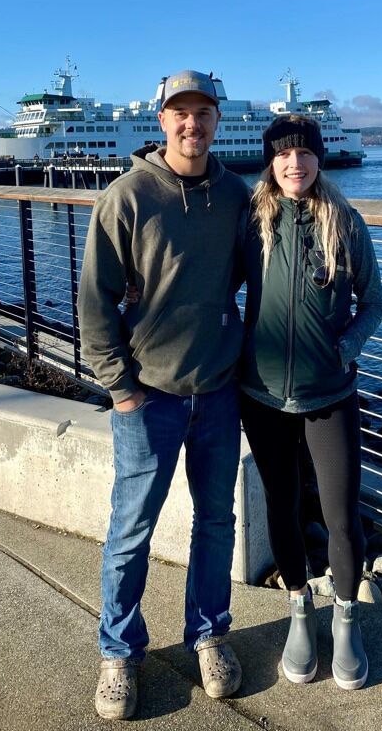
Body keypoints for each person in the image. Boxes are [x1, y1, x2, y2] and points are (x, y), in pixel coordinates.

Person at [78, 69, 250, 720]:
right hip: (149, 398)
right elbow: (94, 301)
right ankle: (119, 654)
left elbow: (264, 257)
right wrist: (121, 390)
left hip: (218, 392)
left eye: (203, 113)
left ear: (216, 121)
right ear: (162, 122)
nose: (192, 124)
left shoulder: (235, 193)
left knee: (216, 522)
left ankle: (209, 635)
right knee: (131, 530)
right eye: (180, 113)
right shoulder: (126, 197)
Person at [239, 114, 382, 691]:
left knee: (340, 514)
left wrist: (345, 349)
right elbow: (212, 285)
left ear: (318, 160)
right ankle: (300, 609)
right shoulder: (252, 222)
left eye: (304, 154)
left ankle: (346, 620)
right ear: (270, 163)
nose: (293, 163)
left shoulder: (344, 222)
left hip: (331, 394)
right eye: (283, 155)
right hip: (262, 395)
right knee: (281, 504)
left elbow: (374, 301)